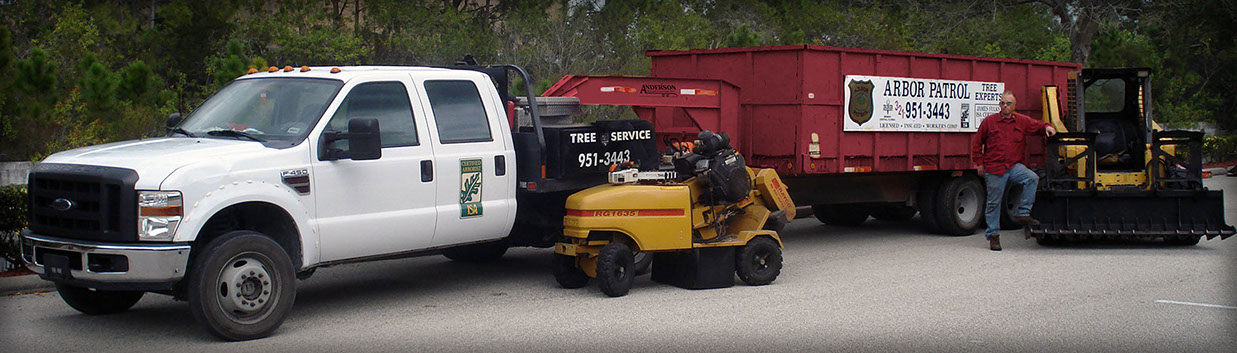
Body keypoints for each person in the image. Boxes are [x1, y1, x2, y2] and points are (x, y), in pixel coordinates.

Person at [971, 90, 1057, 251]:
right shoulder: (989, 122)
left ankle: (1023, 213)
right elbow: (976, 144)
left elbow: (1038, 126)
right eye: (1002, 103)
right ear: (999, 104)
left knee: (1031, 178)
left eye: (1008, 103)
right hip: (994, 168)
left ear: (1014, 106)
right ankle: (993, 236)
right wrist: (979, 163)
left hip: (1013, 166)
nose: (1005, 106)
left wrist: (1048, 127)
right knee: (993, 203)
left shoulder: (1022, 121)